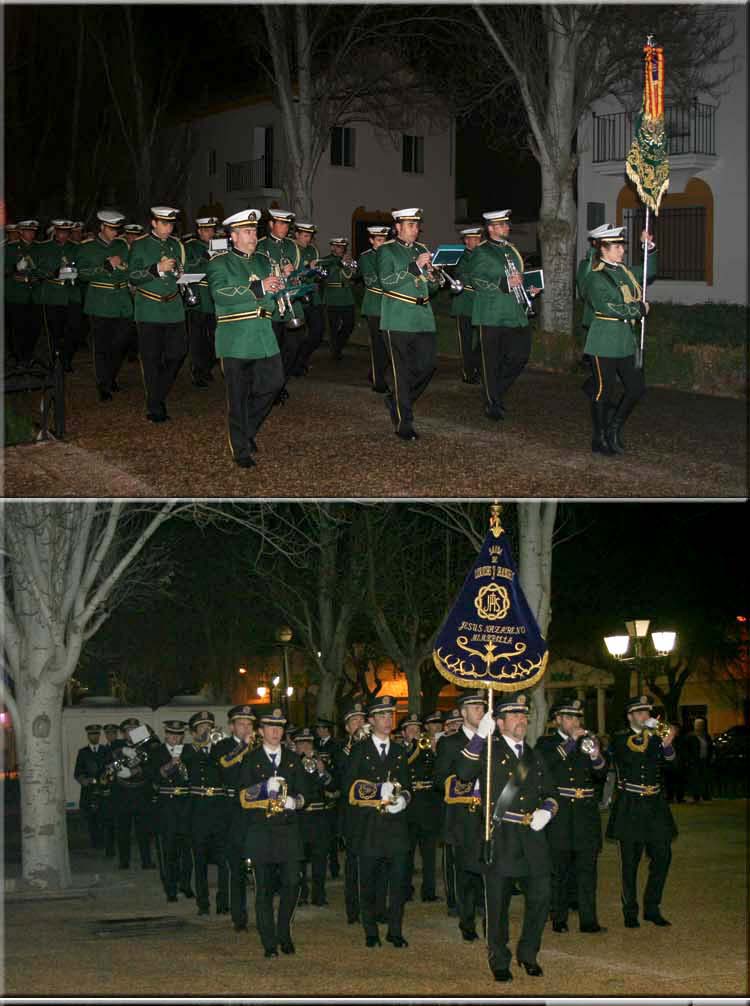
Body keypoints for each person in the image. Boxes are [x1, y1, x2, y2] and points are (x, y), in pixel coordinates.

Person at [457, 692, 557, 982]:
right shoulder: (488, 750)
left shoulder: (533, 755)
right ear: (498, 722)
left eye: (524, 715)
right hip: (500, 835)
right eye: (514, 715)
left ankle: (528, 954)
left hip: (533, 836)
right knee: (497, 904)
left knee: (541, 897)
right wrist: (478, 738)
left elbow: (551, 793)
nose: (521, 720)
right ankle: (498, 958)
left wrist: (547, 812)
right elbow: (463, 773)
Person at [205, 209, 285, 468]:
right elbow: (221, 294)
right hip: (235, 338)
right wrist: (259, 287)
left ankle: (246, 430)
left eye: (254, 231)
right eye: (248, 232)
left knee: (274, 384)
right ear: (233, 236)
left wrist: (281, 289)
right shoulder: (219, 263)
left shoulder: (263, 261)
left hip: (263, 335)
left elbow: (271, 291)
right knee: (238, 397)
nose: (253, 236)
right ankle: (240, 449)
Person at [579, 224, 657, 455]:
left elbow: (647, 272)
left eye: (622, 245)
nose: (622, 250)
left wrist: (648, 247)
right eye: (616, 246)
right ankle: (599, 437)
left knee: (636, 388)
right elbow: (609, 307)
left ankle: (614, 428)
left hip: (624, 339)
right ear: (603, 249)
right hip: (603, 339)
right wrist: (639, 309)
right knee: (604, 390)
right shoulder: (595, 276)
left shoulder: (624, 271)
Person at [343, 694, 412, 948]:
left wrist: (403, 799)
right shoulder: (360, 750)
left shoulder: (399, 750)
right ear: (371, 721)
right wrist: (376, 792)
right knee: (368, 882)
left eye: (390, 715)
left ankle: (395, 930)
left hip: (395, 827)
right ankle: (370, 931)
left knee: (398, 883)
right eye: (381, 715)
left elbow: (407, 784)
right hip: (369, 826)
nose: (387, 720)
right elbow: (349, 787)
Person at [238, 706, 307, 957]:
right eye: (270, 727)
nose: (276, 731)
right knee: (264, 890)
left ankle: (283, 932)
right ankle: (269, 942)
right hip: (262, 832)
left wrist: (295, 802)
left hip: (288, 831)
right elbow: (243, 796)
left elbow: (305, 794)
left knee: (292, 883)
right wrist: (264, 789)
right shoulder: (251, 759)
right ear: (261, 730)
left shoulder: (292, 759)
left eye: (279, 727)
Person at [535, 697, 608, 934]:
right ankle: (559, 917)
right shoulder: (547, 743)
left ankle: (589, 919)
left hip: (585, 811)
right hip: (562, 811)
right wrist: (570, 744)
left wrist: (597, 756)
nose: (574, 721)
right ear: (557, 720)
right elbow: (544, 766)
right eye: (569, 717)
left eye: (577, 717)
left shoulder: (588, 741)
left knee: (588, 869)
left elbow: (601, 775)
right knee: (560, 868)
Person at [606, 695, 678, 928]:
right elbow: (631, 754)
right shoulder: (620, 738)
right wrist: (651, 734)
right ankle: (630, 910)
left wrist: (664, 739)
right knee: (630, 862)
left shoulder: (656, 736)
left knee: (663, 856)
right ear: (630, 716)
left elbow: (673, 763)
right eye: (639, 712)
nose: (644, 716)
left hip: (655, 804)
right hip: (631, 804)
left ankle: (652, 907)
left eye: (647, 712)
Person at [466, 209, 541, 421]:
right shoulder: (482, 252)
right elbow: (476, 279)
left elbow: (517, 278)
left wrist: (528, 288)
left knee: (520, 356)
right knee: (491, 361)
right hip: (491, 313)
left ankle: (495, 391)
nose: (507, 227)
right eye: (502, 224)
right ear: (490, 228)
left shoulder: (510, 250)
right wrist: (505, 283)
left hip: (514, 313)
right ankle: (492, 403)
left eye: (507, 224)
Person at [376, 208, 441, 441]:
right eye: (411, 225)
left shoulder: (422, 250)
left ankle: (397, 400)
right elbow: (386, 281)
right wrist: (414, 267)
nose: (416, 229)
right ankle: (405, 423)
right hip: (398, 317)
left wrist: (434, 276)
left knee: (428, 365)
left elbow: (431, 287)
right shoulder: (387, 251)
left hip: (423, 316)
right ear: (398, 227)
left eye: (417, 225)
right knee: (401, 373)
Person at [127, 205, 188, 423]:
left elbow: (181, 272)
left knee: (178, 353)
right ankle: (155, 406)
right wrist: (157, 269)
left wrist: (183, 276)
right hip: (149, 309)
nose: (168, 228)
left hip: (174, 308)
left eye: (171, 223)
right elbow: (132, 275)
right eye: (164, 223)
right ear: (153, 223)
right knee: (151, 359)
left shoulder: (176, 245)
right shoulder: (140, 245)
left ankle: (157, 393)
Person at [433, 692, 486, 939]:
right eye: (475, 707)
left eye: (482, 707)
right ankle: (467, 923)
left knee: (488, 868)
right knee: (464, 872)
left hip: (486, 816)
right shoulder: (450, 743)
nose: (480, 710)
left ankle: (487, 915)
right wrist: (474, 785)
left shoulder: (491, 740)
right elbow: (441, 779)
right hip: (462, 816)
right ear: (463, 712)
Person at [76, 210, 134, 401]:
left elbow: (128, 269)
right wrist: (106, 267)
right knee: (102, 345)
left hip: (122, 301)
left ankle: (110, 376)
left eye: (117, 229)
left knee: (121, 342)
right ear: (102, 227)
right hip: (100, 301)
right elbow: (82, 273)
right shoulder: (87, 247)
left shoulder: (122, 245)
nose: (115, 233)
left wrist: (120, 267)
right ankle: (103, 384)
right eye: (111, 229)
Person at [181, 711, 230, 917]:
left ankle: (222, 902)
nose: (207, 730)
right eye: (202, 727)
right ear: (194, 733)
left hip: (219, 810)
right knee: (199, 859)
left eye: (209, 726)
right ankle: (203, 903)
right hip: (198, 811)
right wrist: (202, 743)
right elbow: (188, 761)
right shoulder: (188, 750)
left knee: (222, 859)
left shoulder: (222, 749)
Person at [215, 704, 257, 931]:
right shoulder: (223, 746)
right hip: (233, 812)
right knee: (236, 867)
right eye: (241, 723)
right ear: (232, 726)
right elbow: (224, 769)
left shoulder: (258, 747)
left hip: (256, 810)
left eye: (250, 724)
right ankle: (238, 915)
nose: (246, 727)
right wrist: (244, 746)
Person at [257, 208, 302, 392]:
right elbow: (256, 274)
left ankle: (280, 381)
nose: (285, 228)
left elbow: (297, 275)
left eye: (287, 224)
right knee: (271, 349)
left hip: (290, 304)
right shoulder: (260, 245)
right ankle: (270, 385)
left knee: (293, 346)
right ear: (271, 225)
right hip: (271, 304)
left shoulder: (292, 246)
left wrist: (294, 275)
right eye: (281, 223)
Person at [150, 720, 194, 903]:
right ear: (166, 735)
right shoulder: (157, 752)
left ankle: (185, 884)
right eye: (172, 734)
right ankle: (170, 887)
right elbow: (152, 777)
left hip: (185, 803)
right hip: (166, 805)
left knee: (186, 848)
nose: (175, 738)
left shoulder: (189, 751)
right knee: (168, 848)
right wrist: (170, 765)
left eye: (179, 735)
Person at [400, 714, 441, 903]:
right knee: (407, 854)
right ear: (403, 733)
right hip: (409, 807)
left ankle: (429, 892)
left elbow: (437, 771)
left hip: (427, 806)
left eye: (417, 729)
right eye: (410, 730)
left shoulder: (427, 749)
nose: (415, 733)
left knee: (429, 855)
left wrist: (434, 751)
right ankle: (406, 890)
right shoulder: (400, 751)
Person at [108, 717, 157, 871]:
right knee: (123, 831)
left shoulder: (147, 745)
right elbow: (108, 760)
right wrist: (122, 750)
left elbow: (153, 766)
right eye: (128, 731)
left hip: (142, 794)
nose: (131, 733)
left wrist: (135, 770)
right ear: (123, 734)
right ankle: (124, 862)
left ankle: (146, 861)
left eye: (134, 730)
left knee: (144, 832)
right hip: (122, 795)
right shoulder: (117, 745)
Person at [294, 727, 335, 906]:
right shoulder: (292, 764)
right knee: (299, 859)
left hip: (319, 816)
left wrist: (321, 771)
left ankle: (319, 895)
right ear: (295, 746)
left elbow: (331, 786)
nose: (304, 747)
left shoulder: (320, 761)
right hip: (301, 817)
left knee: (320, 858)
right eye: (301, 744)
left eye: (308, 743)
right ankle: (301, 894)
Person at [32, 219, 78, 371]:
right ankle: (55, 360)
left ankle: (66, 359)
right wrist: (53, 273)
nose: (63, 235)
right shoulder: (43, 248)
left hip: (71, 295)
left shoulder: (75, 248)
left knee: (72, 330)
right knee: (54, 331)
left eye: (66, 232)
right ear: (55, 231)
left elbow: (82, 266)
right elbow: (36, 269)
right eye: (60, 232)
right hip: (52, 295)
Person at [184, 216, 219, 387]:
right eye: (206, 230)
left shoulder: (219, 245)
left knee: (214, 338)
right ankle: (198, 371)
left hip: (215, 298)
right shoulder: (190, 246)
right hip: (198, 296)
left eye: (212, 230)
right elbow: (186, 269)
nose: (210, 233)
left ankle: (207, 366)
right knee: (197, 339)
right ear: (199, 231)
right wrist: (205, 257)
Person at [4, 219, 41, 365]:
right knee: (17, 327)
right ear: (20, 232)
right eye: (27, 231)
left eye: (33, 231)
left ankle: (28, 354)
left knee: (34, 327)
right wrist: (14, 267)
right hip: (16, 294)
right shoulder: (10, 248)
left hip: (35, 294)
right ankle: (18, 357)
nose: (31, 234)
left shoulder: (39, 248)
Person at [358, 225, 390, 392]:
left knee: (388, 345)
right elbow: (371, 280)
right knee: (378, 345)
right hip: (374, 305)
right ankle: (378, 382)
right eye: (378, 240)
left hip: (390, 305)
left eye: (384, 240)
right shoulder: (366, 257)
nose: (382, 243)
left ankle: (375, 372)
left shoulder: (390, 254)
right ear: (371, 241)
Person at [291, 221, 325, 375]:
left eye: (310, 236)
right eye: (305, 235)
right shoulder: (291, 249)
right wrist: (307, 269)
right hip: (297, 297)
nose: (308, 239)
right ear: (297, 234)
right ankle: (294, 365)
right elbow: (291, 275)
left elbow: (317, 274)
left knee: (317, 332)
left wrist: (318, 272)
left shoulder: (313, 250)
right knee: (297, 336)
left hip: (312, 297)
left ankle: (302, 359)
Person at [73, 724, 113, 854]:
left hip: (103, 790)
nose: (94, 736)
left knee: (105, 818)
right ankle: (95, 844)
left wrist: (107, 779)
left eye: (96, 734)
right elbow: (77, 772)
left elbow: (110, 768)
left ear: (99, 736)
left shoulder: (105, 750)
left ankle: (106, 845)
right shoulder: (83, 752)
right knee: (92, 819)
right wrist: (84, 780)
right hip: (89, 791)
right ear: (88, 736)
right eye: (91, 734)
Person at [451, 226, 482, 383]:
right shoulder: (460, 257)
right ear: (466, 240)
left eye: (478, 239)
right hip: (464, 304)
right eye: (473, 239)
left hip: (479, 304)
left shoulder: (482, 255)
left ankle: (475, 365)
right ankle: (468, 373)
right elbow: (464, 275)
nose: (476, 242)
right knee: (466, 342)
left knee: (484, 339)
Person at [313, 716, 341, 880]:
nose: (319, 731)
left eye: (322, 729)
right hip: (319, 789)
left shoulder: (335, 745)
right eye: (318, 729)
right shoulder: (316, 744)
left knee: (332, 835)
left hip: (330, 790)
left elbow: (335, 767)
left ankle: (335, 866)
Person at [321, 237, 357, 361]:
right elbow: (324, 275)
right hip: (332, 297)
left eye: (343, 247)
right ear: (332, 247)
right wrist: (340, 264)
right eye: (338, 246)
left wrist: (351, 265)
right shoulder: (326, 260)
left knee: (349, 324)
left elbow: (356, 275)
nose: (341, 249)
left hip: (347, 297)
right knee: (333, 327)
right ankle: (335, 350)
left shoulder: (348, 259)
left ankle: (338, 345)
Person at [684, 717, 714, 803]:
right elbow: (686, 749)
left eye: (701, 725)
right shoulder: (690, 736)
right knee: (695, 778)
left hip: (704, 760)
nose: (699, 726)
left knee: (704, 778)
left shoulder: (706, 736)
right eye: (697, 724)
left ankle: (705, 795)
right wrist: (689, 760)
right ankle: (696, 796)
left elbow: (710, 747)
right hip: (694, 761)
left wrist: (711, 756)